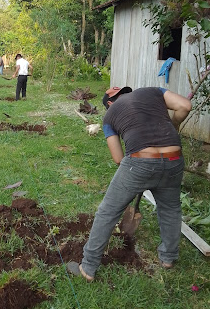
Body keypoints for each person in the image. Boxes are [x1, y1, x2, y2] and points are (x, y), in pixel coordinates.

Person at [79, 86, 192, 282]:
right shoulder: (153, 92)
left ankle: (88, 266)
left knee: (108, 211)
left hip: (140, 160)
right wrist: (173, 125)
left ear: (109, 104)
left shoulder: (109, 116)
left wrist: (139, 171)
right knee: (170, 208)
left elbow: (117, 158)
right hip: (175, 159)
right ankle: (168, 257)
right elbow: (185, 105)